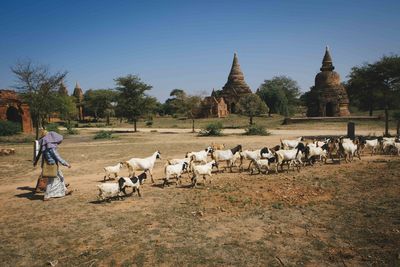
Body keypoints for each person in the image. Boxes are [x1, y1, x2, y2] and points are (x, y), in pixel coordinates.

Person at [33, 129, 72, 201]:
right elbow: (57, 156)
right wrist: (66, 164)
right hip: (52, 165)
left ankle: (65, 190)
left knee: (60, 176)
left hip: (48, 164)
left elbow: (39, 155)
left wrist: (35, 162)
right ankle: (46, 196)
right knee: (50, 180)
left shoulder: (44, 145)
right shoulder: (51, 147)